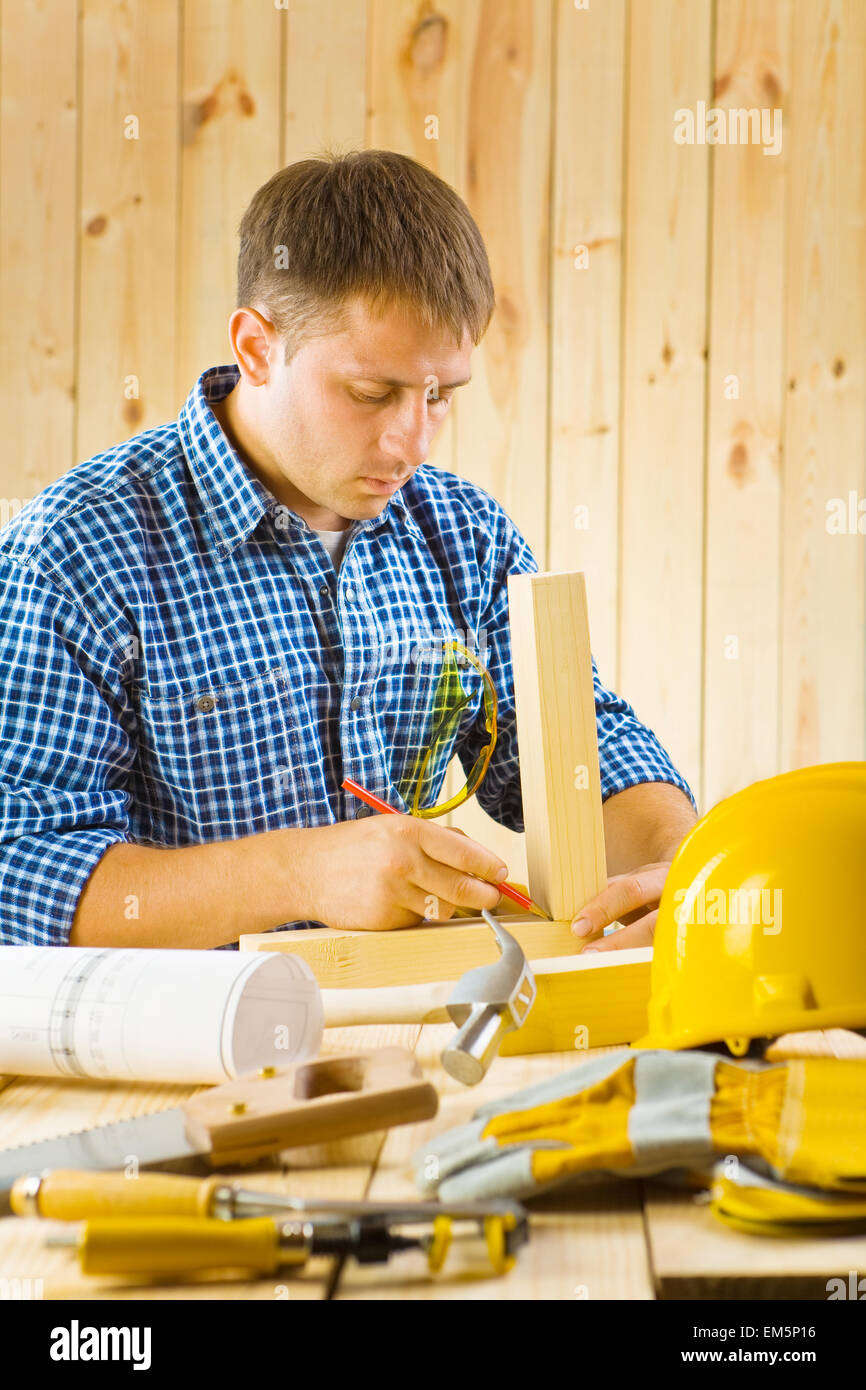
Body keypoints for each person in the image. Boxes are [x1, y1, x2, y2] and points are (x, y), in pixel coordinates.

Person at [0, 150, 697, 951]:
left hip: (413, 1033)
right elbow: (21, 872)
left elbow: (584, 750)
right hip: (183, 1058)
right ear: (257, 348)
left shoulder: (464, 535)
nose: (412, 442)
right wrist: (300, 874)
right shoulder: (72, 551)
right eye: (373, 394)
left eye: (441, 396)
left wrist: (678, 863)